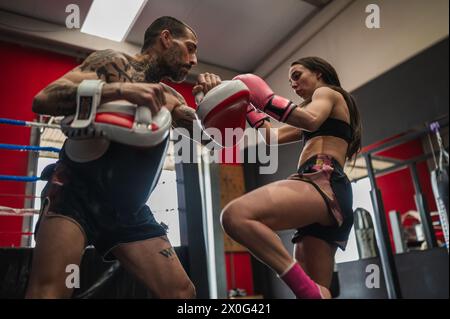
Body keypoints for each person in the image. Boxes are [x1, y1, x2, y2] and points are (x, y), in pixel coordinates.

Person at [26, 16, 221, 299]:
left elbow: (212, 140)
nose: (194, 59)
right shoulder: (113, 63)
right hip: (75, 193)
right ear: (166, 38)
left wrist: (211, 103)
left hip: (129, 207)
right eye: (190, 48)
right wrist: (119, 89)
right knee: (51, 292)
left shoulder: (169, 97)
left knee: (181, 293)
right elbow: (43, 99)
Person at [221, 57, 362, 298]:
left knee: (235, 216)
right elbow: (271, 137)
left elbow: (310, 119)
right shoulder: (320, 113)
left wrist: (266, 100)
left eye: (297, 75)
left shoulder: (328, 93)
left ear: (319, 73)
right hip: (329, 192)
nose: (293, 84)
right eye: (290, 81)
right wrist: (248, 107)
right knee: (319, 293)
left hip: (322, 179)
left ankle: (308, 290)